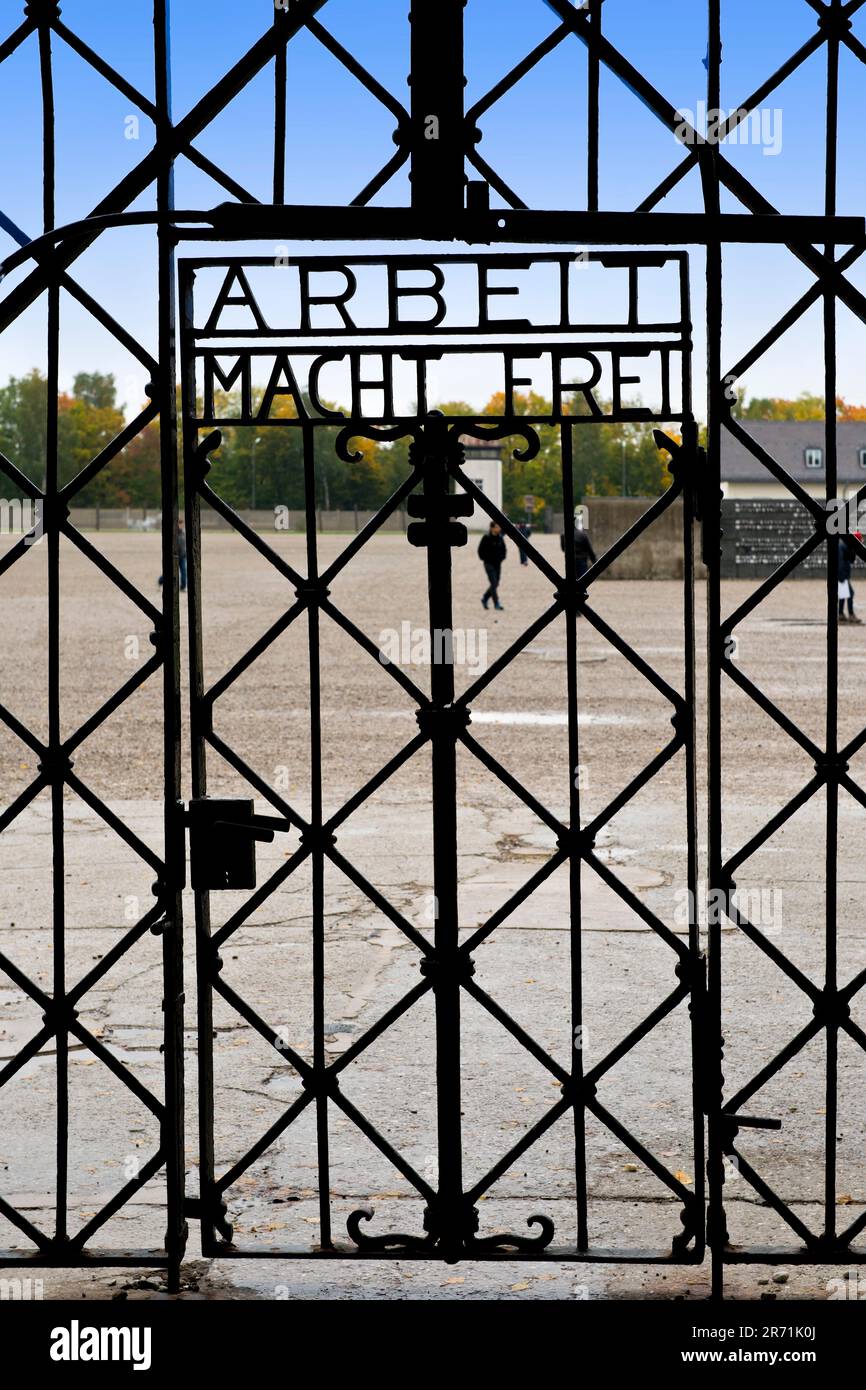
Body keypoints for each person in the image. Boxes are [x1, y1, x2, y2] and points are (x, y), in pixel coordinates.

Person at [479, 521, 507, 611]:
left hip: (497, 564)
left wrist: (502, 558)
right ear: (492, 528)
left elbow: (504, 550)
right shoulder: (486, 537)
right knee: (494, 583)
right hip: (488, 564)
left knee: (496, 583)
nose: (499, 529)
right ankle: (496, 603)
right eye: (497, 527)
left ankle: (485, 598)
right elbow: (480, 550)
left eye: (499, 527)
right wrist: (484, 559)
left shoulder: (500, 538)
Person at [561, 510, 597, 579]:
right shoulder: (583, 534)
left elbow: (563, 548)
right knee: (582, 581)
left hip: (570, 561)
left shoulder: (563, 534)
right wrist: (594, 561)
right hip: (582, 560)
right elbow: (589, 550)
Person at [839, 532, 862, 624]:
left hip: (843, 574)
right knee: (850, 593)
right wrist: (842, 577)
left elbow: (851, 560)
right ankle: (850, 614)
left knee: (844, 594)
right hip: (842, 575)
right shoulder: (842, 547)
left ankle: (840, 614)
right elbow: (840, 562)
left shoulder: (846, 546)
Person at [158, 520, 187, 593]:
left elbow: (184, 546)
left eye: (182, 524)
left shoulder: (183, 533)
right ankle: (160, 581)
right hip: (175, 557)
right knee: (170, 572)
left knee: (184, 572)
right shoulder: (173, 533)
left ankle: (183, 587)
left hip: (182, 557)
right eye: (180, 524)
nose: (181, 526)